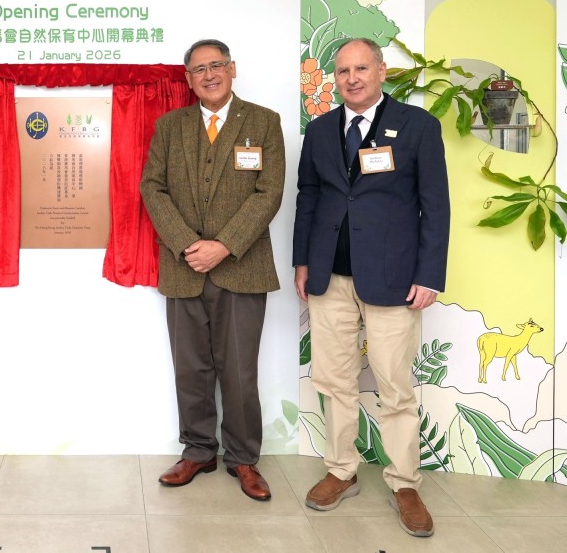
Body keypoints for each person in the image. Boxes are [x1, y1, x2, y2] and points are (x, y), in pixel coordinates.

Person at [293, 37, 450, 538]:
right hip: (329, 277)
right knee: (334, 380)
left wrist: (429, 273)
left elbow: (436, 206)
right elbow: (308, 198)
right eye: (342, 71)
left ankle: (405, 483)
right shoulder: (318, 131)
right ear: (334, 79)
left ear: (382, 71)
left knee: (393, 386)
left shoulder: (419, 127)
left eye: (361, 68)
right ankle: (341, 470)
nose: (352, 78)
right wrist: (302, 261)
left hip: (394, 279)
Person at [140, 39, 285, 499]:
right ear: (188, 78)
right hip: (183, 268)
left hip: (242, 267)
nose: (208, 74)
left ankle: (243, 459)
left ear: (232, 68)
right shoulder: (169, 126)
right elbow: (153, 189)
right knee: (191, 368)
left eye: (216, 65)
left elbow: (270, 192)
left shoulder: (263, 121)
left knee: (239, 371)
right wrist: (188, 245)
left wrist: (223, 246)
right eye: (198, 69)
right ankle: (199, 451)